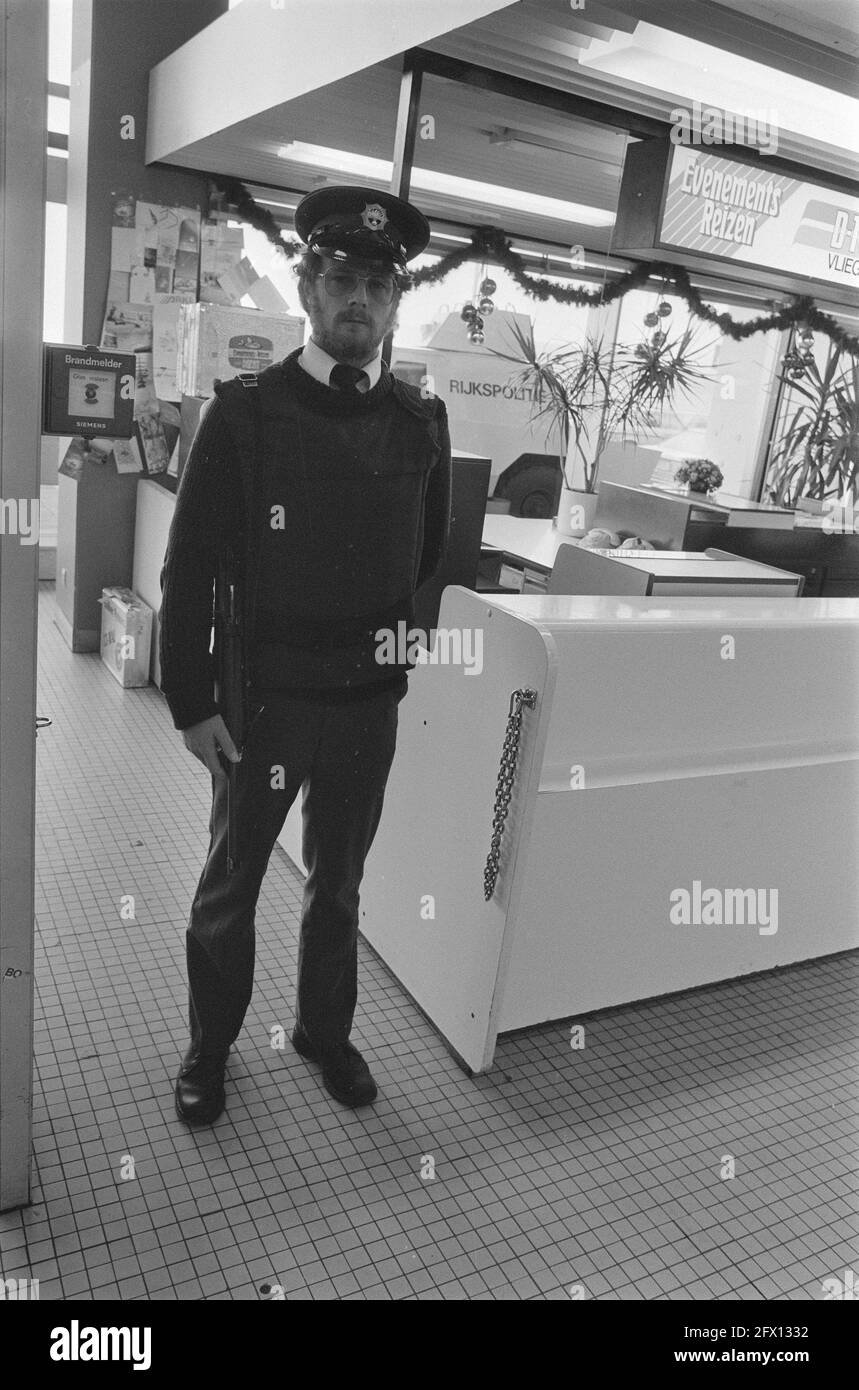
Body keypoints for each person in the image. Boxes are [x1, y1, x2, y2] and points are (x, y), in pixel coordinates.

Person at [159, 186, 451, 1124]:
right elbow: (189, 568)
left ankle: (325, 1033)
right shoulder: (244, 414)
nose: (356, 298)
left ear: (393, 301)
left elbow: (430, 563)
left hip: (366, 704)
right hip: (266, 701)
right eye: (339, 278)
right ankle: (211, 1048)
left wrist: (400, 669)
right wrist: (193, 702)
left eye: (375, 282)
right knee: (230, 888)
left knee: (341, 886)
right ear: (307, 286)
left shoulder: (419, 422)